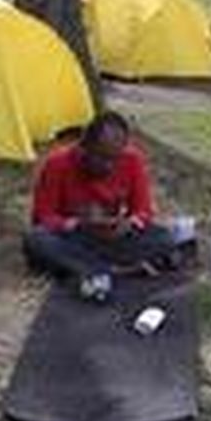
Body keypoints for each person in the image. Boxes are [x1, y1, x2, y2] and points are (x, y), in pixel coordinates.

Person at [23, 111, 176, 302]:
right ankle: (116, 269)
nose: (109, 166)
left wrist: (129, 224)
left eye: (115, 158)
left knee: (166, 238)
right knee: (36, 239)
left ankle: (90, 269)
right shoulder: (57, 164)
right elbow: (43, 217)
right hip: (74, 237)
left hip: (112, 239)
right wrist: (78, 224)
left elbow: (143, 211)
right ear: (84, 147)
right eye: (102, 158)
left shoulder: (132, 160)